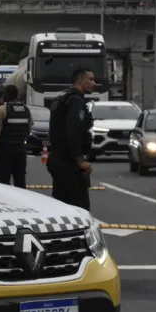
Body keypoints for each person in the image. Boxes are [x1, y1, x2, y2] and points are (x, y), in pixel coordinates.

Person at [47, 68, 95, 210]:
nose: (94, 83)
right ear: (80, 81)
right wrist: (79, 161)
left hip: (59, 159)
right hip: (68, 163)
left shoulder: (65, 99)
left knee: (61, 206)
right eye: (90, 79)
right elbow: (73, 132)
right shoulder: (76, 101)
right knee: (79, 208)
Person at [0, 85, 32, 187]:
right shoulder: (26, 110)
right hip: (20, 149)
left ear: (7, 95)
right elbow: (29, 128)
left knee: (4, 180)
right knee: (20, 180)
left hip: (5, 149)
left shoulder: (2, 110)